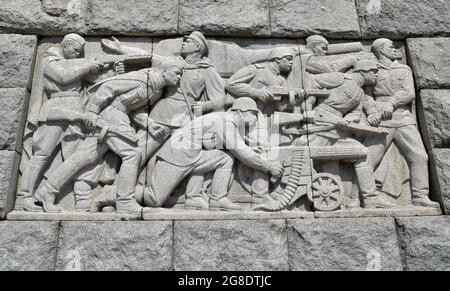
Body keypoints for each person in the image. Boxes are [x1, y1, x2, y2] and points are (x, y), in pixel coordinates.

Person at [34, 61, 184, 214]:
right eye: (176, 72)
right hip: (112, 115)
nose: (179, 77)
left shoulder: (156, 89)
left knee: (83, 157)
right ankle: (124, 201)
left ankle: (48, 190)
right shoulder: (141, 78)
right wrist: (93, 111)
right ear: (164, 70)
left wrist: (149, 124)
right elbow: (109, 88)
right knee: (132, 154)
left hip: (119, 116)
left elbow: (133, 109)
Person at [140, 98, 284, 211]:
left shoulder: (227, 121)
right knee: (153, 200)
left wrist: (251, 149)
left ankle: (215, 199)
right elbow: (242, 153)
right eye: (253, 114)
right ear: (240, 112)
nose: (255, 119)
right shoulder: (226, 121)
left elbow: (235, 144)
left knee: (224, 159)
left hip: (195, 156)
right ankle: (123, 192)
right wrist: (268, 166)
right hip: (178, 155)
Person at [17, 33, 107, 212]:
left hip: (76, 110)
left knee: (76, 157)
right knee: (42, 155)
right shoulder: (49, 61)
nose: (77, 54)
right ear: (65, 46)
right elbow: (63, 77)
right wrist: (88, 64)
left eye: (80, 52)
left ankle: (76, 199)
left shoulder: (75, 62)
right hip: (56, 109)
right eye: (75, 50)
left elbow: (96, 81)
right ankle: (23, 197)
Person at [363, 38, 439, 208]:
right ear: (381, 50)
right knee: (368, 158)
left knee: (419, 156)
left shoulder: (403, 69)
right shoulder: (372, 69)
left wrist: (392, 102)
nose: (394, 50)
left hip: (403, 118)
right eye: (390, 47)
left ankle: (420, 196)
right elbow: (366, 95)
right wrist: (372, 111)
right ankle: (367, 197)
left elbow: (409, 92)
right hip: (381, 121)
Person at [308, 60, 381, 207]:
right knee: (309, 154)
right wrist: (308, 105)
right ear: (364, 71)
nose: (376, 75)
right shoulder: (340, 78)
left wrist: (348, 119)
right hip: (320, 124)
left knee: (363, 153)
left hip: (337, 130)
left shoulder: (360, 93)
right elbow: (311, 80)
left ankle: (370, 198)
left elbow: (356, 113)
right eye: (374, 71)